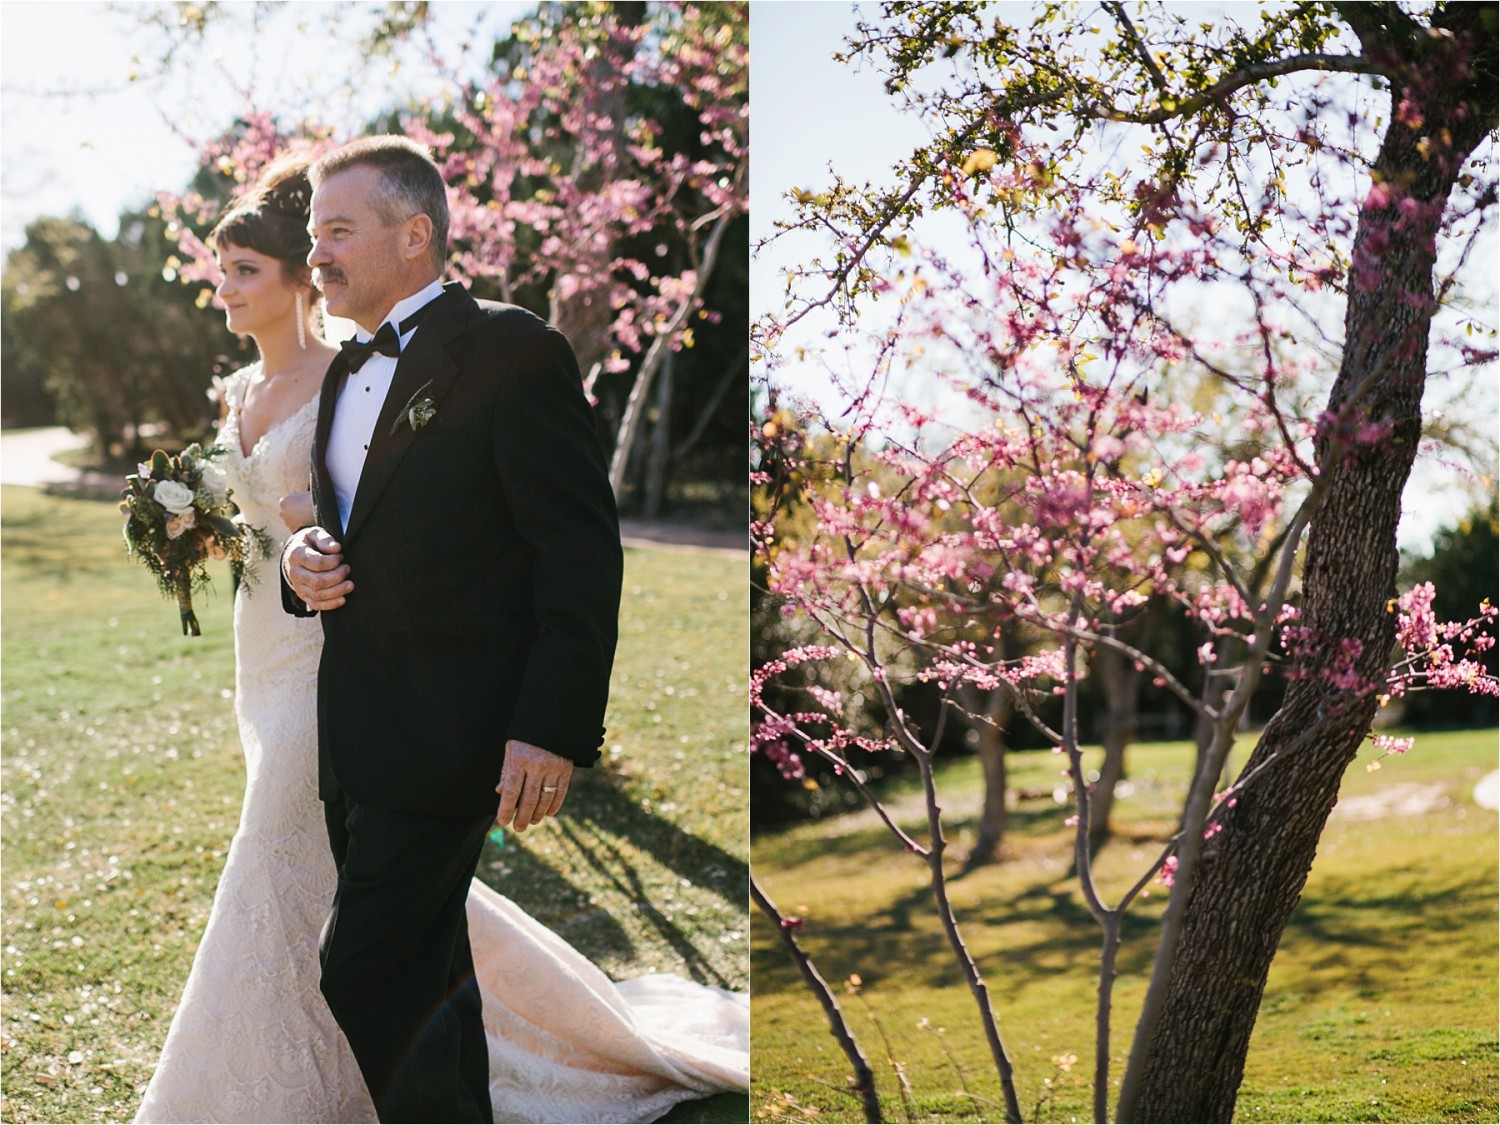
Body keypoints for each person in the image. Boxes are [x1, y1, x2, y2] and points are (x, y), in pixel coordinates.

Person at [134, 152, 747, 1125]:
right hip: (355, 724)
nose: (316, 251)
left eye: (338, 231)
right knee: (428, 970)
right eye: (313, 235)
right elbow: (343, 534)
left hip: (456, 725)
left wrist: (549, 728)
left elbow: (578, 558)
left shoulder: (512, 350)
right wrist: (304, 568)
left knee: (364, 967)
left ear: (413, 234)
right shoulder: (345, 378)